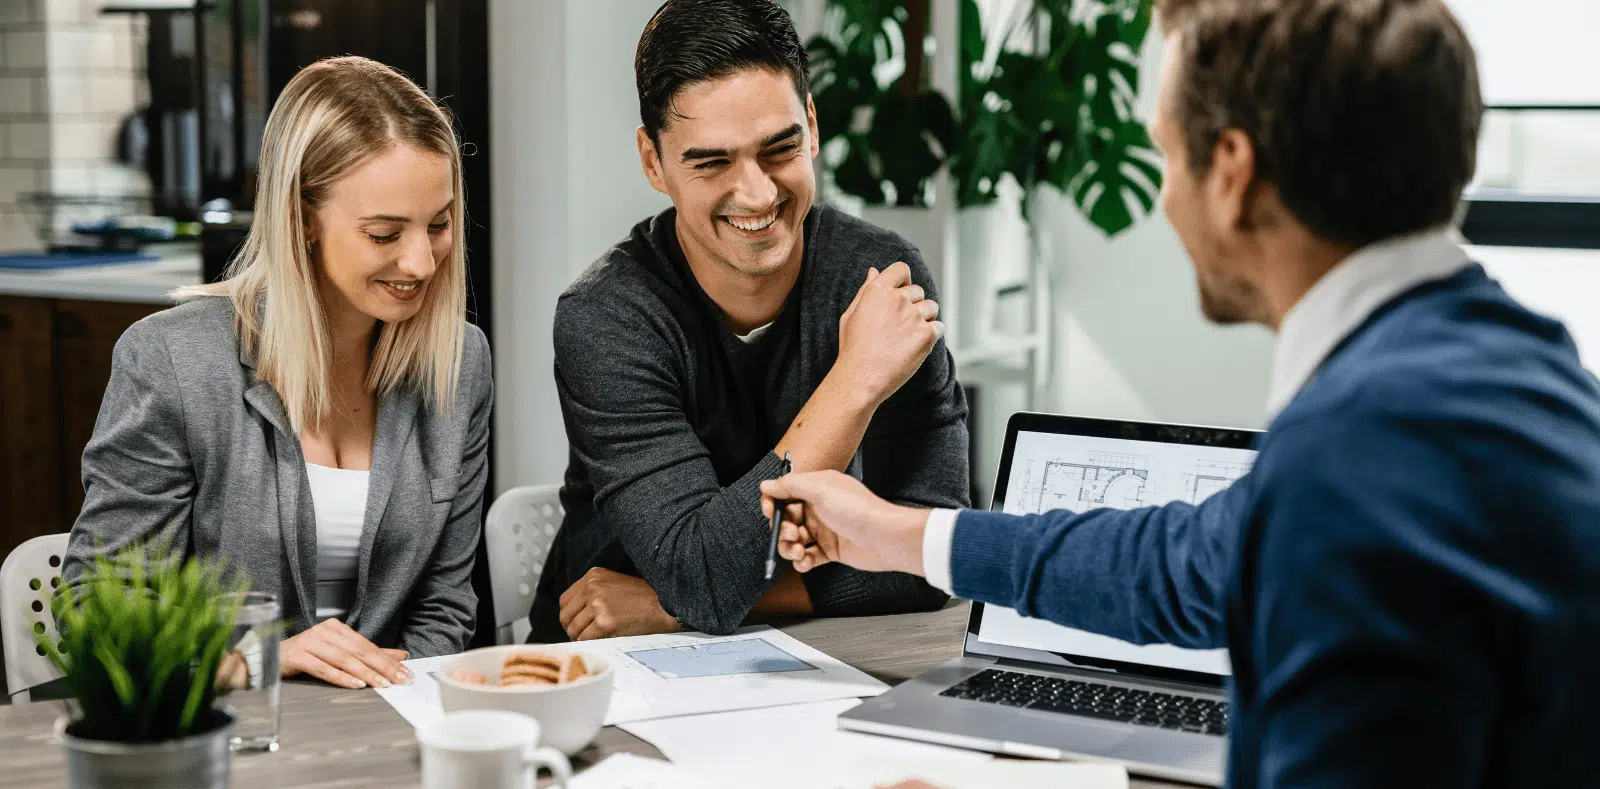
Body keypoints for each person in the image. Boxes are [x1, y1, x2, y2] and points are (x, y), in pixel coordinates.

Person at [761, 1, 1600, 787]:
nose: (1163, 196)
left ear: (1231, 171)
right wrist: (901, 534)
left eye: (1164, 152)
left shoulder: (1358, 461)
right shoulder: (1514, 369)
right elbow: (1181, 564)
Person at [530, 0, 969, 643]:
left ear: (812, 127)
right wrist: (855, 381)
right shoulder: (608, 316)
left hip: (805, 661)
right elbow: (703, 576)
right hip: (610, 667)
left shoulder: (879, 280)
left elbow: (932, 555)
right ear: (653, 162)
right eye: (712, 162)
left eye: (780, 148)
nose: (759, 194)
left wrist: (671, 602)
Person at [64, 56, 493, 691]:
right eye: (383, 234)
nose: (422, 261)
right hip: (221, 734)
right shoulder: (172, 362)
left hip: (386, 727)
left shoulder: (459, 362)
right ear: (301, 220)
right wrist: (261, 660)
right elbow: (96, 614)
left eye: (439, 224)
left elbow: (445, 604)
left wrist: (385, 710)